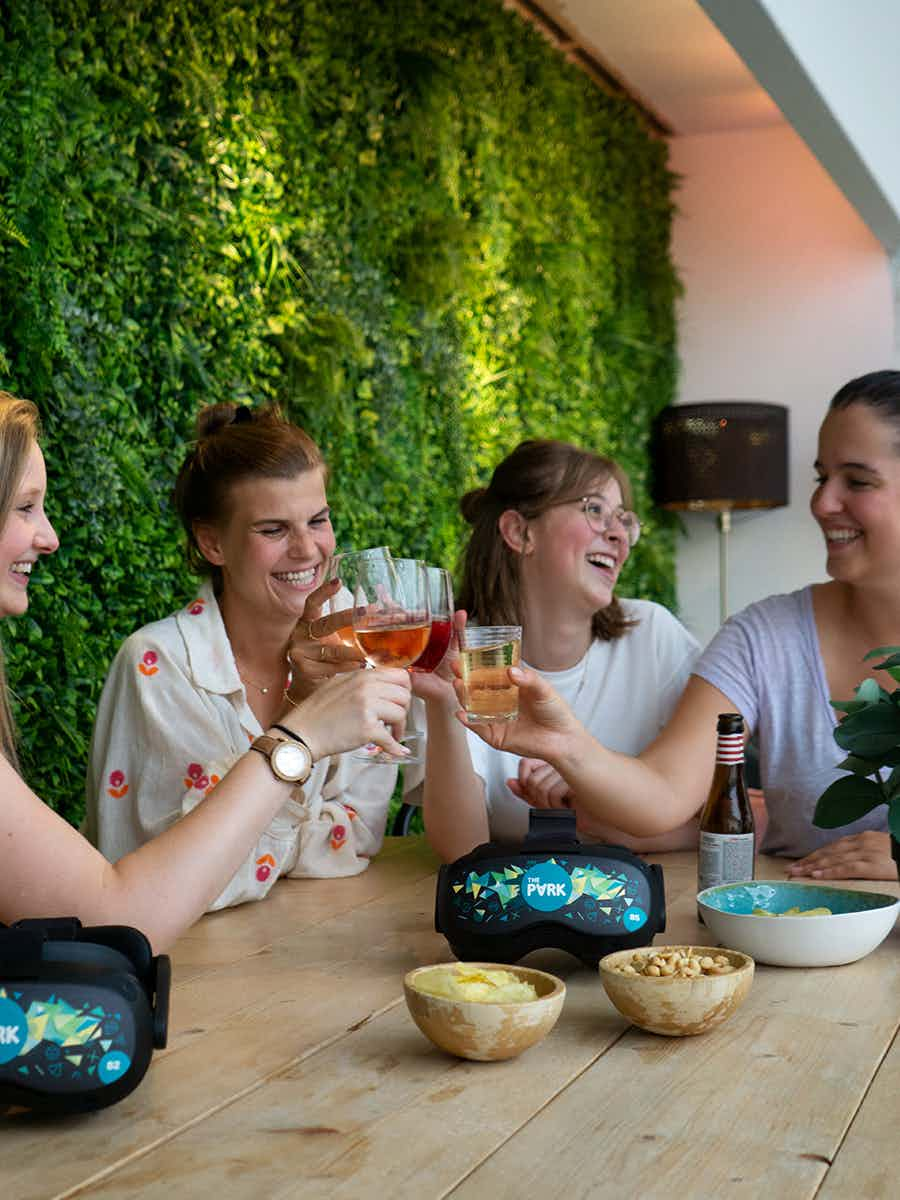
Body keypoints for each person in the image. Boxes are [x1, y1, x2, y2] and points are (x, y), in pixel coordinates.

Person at [0, 392, 409, 950]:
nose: (50, 537)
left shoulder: (347, 646)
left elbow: (356, 838)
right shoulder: (159, 662)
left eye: (318, 519)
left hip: (301, 953)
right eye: (25, 507)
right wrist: (301, 738)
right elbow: (132, 908)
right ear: (211, 542)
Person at [457, 372, 900, 881]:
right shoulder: (763, 638)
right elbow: (665, 794)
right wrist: (564, 742)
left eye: (858, 481)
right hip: (794, 944)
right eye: (822, 478)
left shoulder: (652, 629)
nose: (822, 503)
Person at [414, 439, 702, 862]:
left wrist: (598, 809)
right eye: (594, 509)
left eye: (623, 519)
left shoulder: (655, 637)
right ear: (519, 532)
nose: (618, 534)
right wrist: (441, 704)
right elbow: (462, 851)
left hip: (650, 900)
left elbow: (736, 815)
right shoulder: (457, 657)